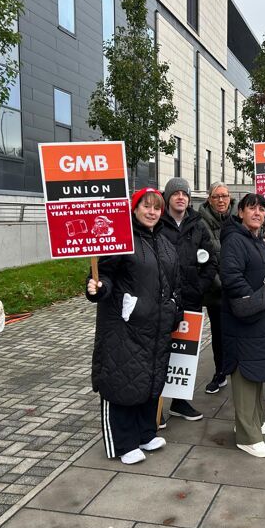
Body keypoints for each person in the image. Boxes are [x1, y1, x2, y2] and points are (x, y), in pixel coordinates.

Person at [86, 188, 182, 464]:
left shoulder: (163, 242)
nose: (152, 212)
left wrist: (175, 309)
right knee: (121, 382)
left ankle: (144, 433)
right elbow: (103, 275)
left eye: (156, 207)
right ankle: (122, 443)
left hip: (156, 328)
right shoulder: (119, 237)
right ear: (134, 208)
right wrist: (97, 288)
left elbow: (174, 281)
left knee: (149, 380)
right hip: (124, 327)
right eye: (146, 206)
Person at [220, 193, 265, 458]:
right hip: (246, 320)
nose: (257, 213)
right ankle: (247, 435)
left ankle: (254, 421)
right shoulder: (236, 240)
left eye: (261, 209)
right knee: (245, 375)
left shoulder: (254, 239)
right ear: (240, 213)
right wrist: (253, 301)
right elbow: (231, 277)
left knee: (256, 372)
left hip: (260, 320)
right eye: (251, 208)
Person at [158, 177, 218, 421]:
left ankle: (180, 403)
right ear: (168, 197)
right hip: (162, 299)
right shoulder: (158, 223)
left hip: (190, 300)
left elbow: (211, 259)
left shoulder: (198, 224)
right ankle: (156, 407)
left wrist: (199, 287)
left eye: (184, 193)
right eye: (176, 193)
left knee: (185, 353)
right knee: (160, 351)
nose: (181, 197)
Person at [198, 182, 234, 394]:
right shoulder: (200, 222)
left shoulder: (238, 219)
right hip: (216, 290)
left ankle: (238, 368)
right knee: (219, 333)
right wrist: (223, 284)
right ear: (209, 199)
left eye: (224, 196)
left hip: (237, 289)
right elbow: (204, 257)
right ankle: (220, 372)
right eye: (216, 196)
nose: (221, 200)